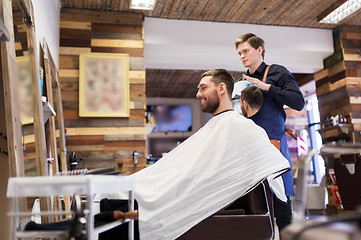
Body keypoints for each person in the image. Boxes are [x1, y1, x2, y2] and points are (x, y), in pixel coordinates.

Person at [26, 69, 290, 240]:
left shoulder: (238, 125)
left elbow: (268, 162)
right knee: (122, 198)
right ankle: (56, 228)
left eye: (202, 88)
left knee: (128, 201)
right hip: (171, 185)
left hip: (181, 194)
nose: (197, 93)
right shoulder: (218, 126)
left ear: (222, 89)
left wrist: (285, 223)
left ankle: (56, 228)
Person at [234, 33, 305, 231]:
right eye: (239, 53)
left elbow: (299, 102)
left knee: (281, 206)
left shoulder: (278, 73)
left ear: (259, 50)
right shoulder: (242, 82)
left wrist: (267, 88)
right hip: (249, 150)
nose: (242, 56)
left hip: (273, 146)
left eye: (246, 51)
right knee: (253, 206)